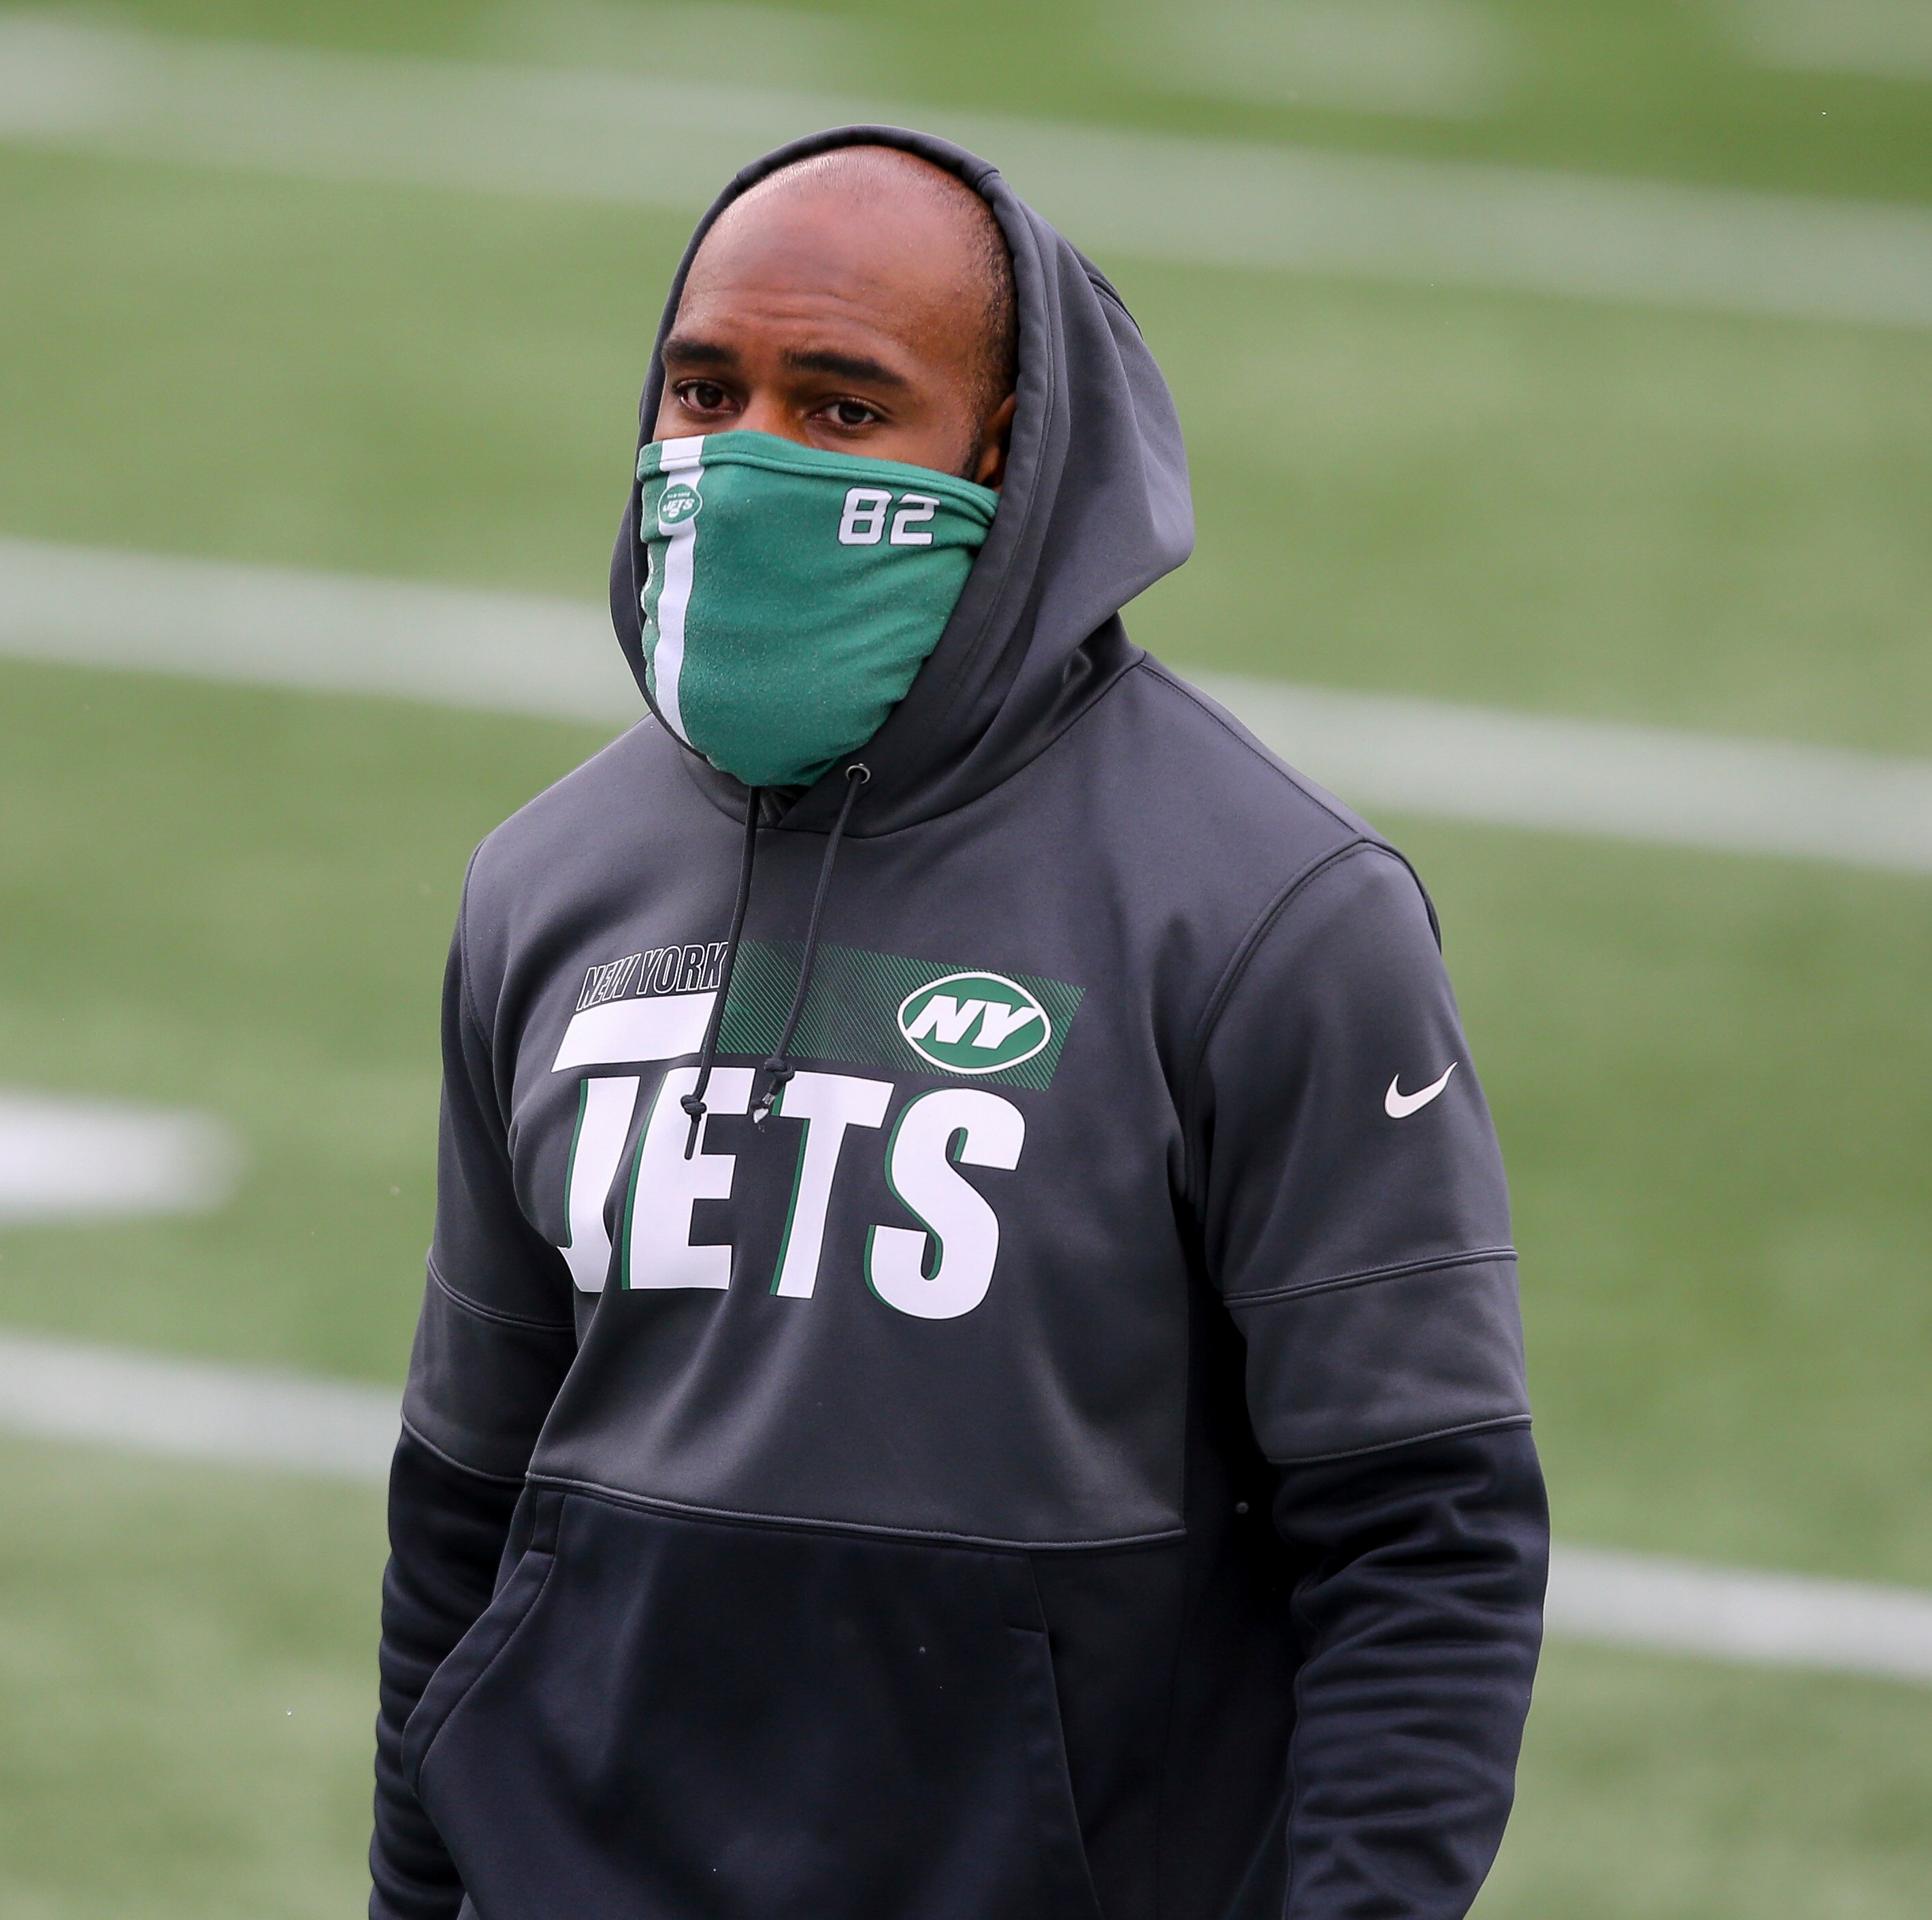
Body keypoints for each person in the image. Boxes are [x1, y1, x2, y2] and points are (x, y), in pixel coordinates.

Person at [371, 128, 1545, 1920]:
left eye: (842, 409)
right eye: (704, 390)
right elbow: (464, 1501)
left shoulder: (1274, 912)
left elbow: (1425, 1544)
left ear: (1012, 453)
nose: (741, 459)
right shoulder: (546, 883)